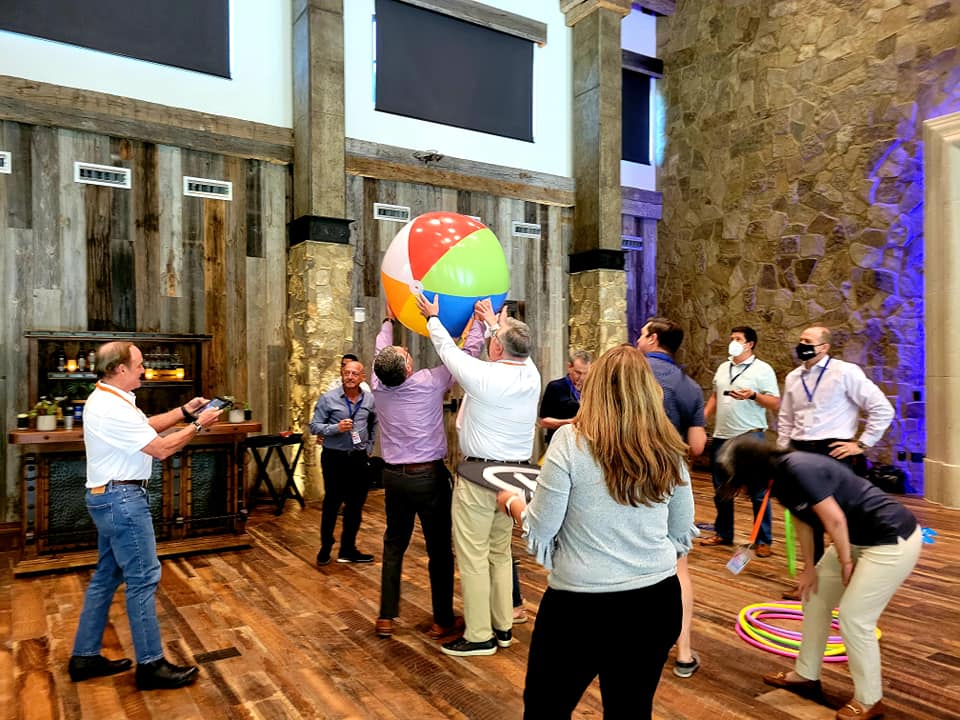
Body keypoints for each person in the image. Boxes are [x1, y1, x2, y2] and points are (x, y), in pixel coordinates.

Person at [498, 345, 694, 719]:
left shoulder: (570, 442)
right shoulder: (668, 446)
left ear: (596, 387)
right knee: (631, 711)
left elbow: (542, 527)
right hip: (655, 602)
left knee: (545, 710)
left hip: (579, 608)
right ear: (649, 390)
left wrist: (511, 503)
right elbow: (681, 531)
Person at [717, 438, 920, 720]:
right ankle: (805, 675)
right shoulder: (780, 478)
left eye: (738, 480)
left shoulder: (798, 468)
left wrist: (847, 562)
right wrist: (810, 568)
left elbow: (834, 519)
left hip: (890, 539)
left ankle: (869, 700)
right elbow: (804, 522)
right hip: (854, 538)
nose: (739, 487)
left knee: (854, 618)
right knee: (813, 598)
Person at [68, 341, 222, 690]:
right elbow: (162, 448)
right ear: (119, 368)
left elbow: (147, 427)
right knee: (143, 578)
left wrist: (185, 411)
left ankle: (84, 657)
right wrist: (199, 426)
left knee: (107, 576)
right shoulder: (110, 407)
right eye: (138, 364)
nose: (144, 368)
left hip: (107, 498)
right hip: (122, 500)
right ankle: (151, 665)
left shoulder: (111, 399)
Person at [415, 294, 540, 657]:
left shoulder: (483, 376)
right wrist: (490, 323)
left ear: (497, 348)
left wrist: (432, 317)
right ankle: (502, 627)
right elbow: (510, 346)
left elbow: (448, 352)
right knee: (500, 552)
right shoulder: (531, 373)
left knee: (472, 555)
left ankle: (479, 635)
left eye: (493, 339)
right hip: (515, 477)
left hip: (479, 475)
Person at [371, 308, 483, 639]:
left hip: (392, 477)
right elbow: (464, 358)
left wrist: (387, 321)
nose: (409, 355)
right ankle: (443, 620)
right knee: (438, 549)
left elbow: (381, 353)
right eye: (406, 354)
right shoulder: (429, 382)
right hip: (427, 479)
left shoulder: (377, 386)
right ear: (407, 368)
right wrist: (475, 325)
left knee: (394, 544)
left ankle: (386, 617)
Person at [777, 325, 894, 599]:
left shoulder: (845, 372)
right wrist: (783, 451)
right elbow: (785, 418)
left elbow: (881, 408)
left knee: (839, 519)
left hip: (833, 453)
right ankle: (810, 578)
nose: (801, 345)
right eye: (800, 341)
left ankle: (849, 579)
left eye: (808, 341)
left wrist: (861, 444)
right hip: (799, 452)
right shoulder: (794, 377)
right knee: (804, 518)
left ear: (824, 347)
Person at [636, 317, 704, 678]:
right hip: (669, 482)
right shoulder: (690, 386)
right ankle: (684, 653)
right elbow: (696, 446)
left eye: (642, 332)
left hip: (621, 478)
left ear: (654, 338)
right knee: (678, 565)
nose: (637, 337)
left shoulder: (628, 375)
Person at [700, 326, 781, 556]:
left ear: (750, 344)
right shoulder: (724, 367)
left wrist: (753, 395)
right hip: (722, 435)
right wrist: (702, 417)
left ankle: (762, 539)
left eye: (737, 339)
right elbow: (716, 396)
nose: (733, 342)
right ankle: (724, 533)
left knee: (757, 489)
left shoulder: (762, 370)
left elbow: (774, 402)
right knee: (721, 488)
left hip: (749, 437)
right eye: (731, 338)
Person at [310, 359, 378, 565]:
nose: (350, 377)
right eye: (346, 373)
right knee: (332, 503)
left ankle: (348, 548)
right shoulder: (328, 399)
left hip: (358, 458)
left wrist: (368, 448)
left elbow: (374, 423)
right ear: (341, 374)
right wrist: (335, 429)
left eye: (354, 374)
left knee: (356, 505)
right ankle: (325, 546)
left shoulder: (369, 400)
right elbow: (314, 427)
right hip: (334, 457)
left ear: (362, 377)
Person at [538, 350, 592, 445]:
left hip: (585, 444)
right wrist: (569, 422)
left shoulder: (592, 390)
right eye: (578, 373)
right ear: (569, 367)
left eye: (585, 373)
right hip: (560, 443)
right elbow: (543, 422)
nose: (581, 378)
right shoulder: (555, 387)